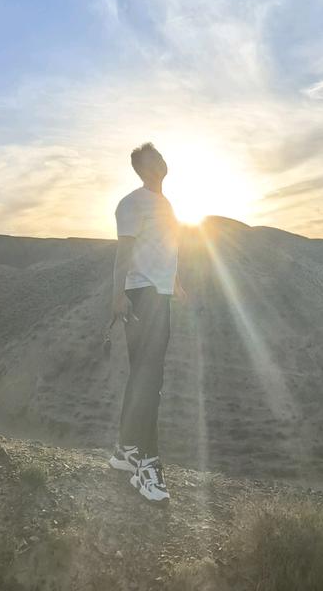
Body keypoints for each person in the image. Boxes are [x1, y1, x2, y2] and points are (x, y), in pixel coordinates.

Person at [107, 142, 187, 502]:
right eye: (153, 159)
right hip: (141, 296)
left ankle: (126, 452)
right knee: (150, 380)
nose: (161, 162)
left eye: (160, 156)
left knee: (143, 376)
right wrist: (117, 294)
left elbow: (161, 247)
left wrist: (175, 283)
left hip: (159, 294)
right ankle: (148, 470)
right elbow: (124, 252)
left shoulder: (163, 203)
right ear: (143, 169)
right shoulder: (132, 203)